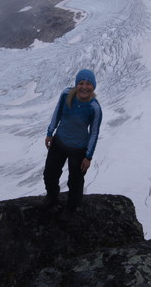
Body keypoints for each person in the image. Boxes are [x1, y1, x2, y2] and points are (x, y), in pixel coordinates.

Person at [41, 69, 103, 220]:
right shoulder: (66, 95)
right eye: (81, 83)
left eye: (88, 84)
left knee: (75, 181)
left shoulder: (94, 107)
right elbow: (57, 114)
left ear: (93, 87)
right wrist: (50, 132)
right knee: (50, 173)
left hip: (79, 149)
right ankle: (52, 198)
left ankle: (72, 207)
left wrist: (88, 157)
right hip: (59, 142)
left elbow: (94, 133)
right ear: (76, 84)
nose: (84, 87)